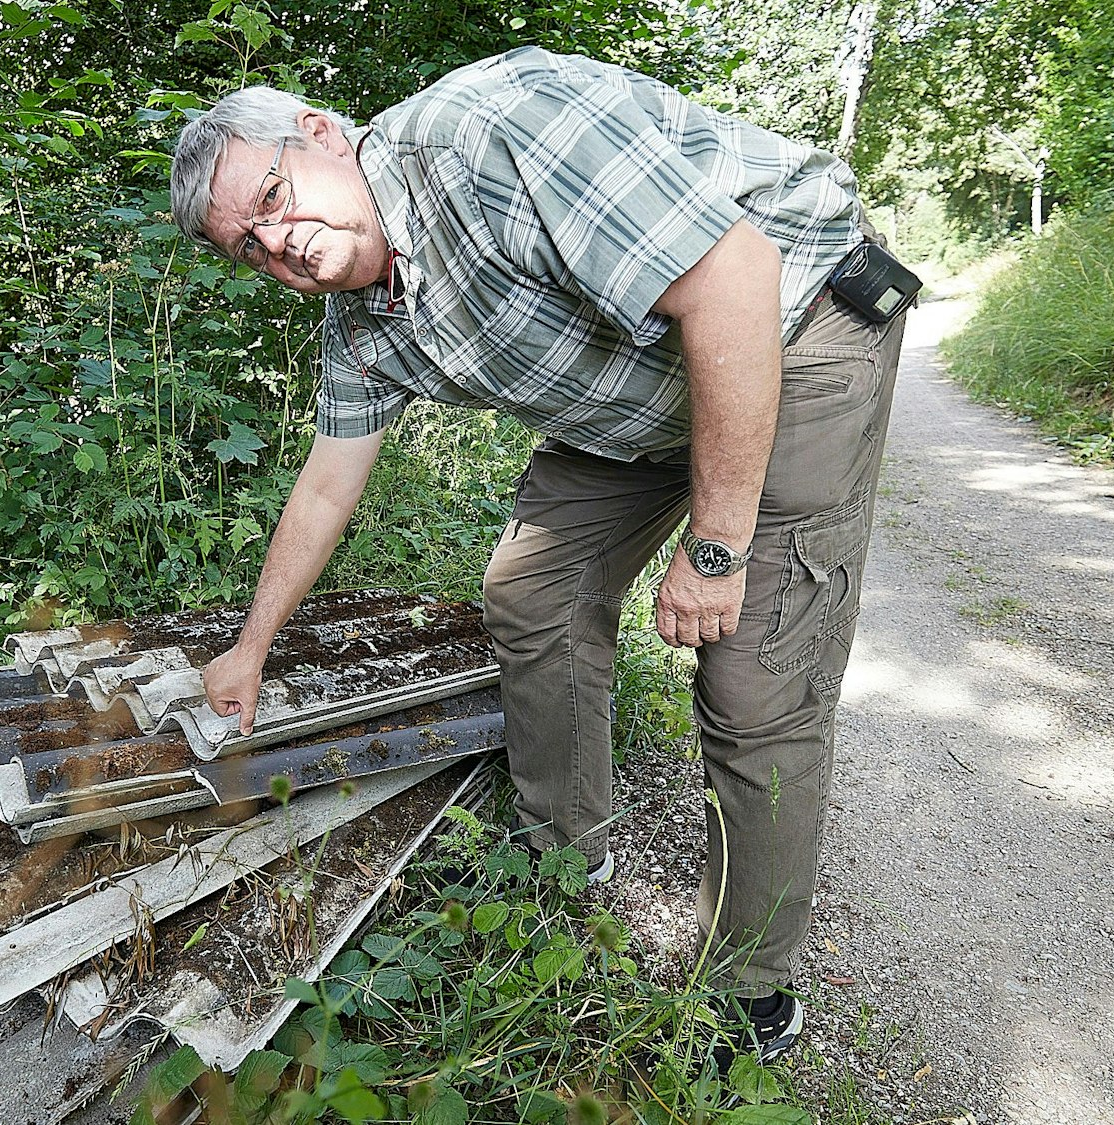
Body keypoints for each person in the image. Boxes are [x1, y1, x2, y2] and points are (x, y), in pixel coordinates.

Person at [171, 46, 908, 1064]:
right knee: (529, 592)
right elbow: (326, 485)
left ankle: (747, 993)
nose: (278, 244)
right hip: (634, 407)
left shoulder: (487, 134)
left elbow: (735, 275)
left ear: (319, 131)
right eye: (247, 247)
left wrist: (714, 547)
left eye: (272, 199)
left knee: (751, 683)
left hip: (792, 327)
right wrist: (250, 648)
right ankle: (566, 860)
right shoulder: (360, 322)